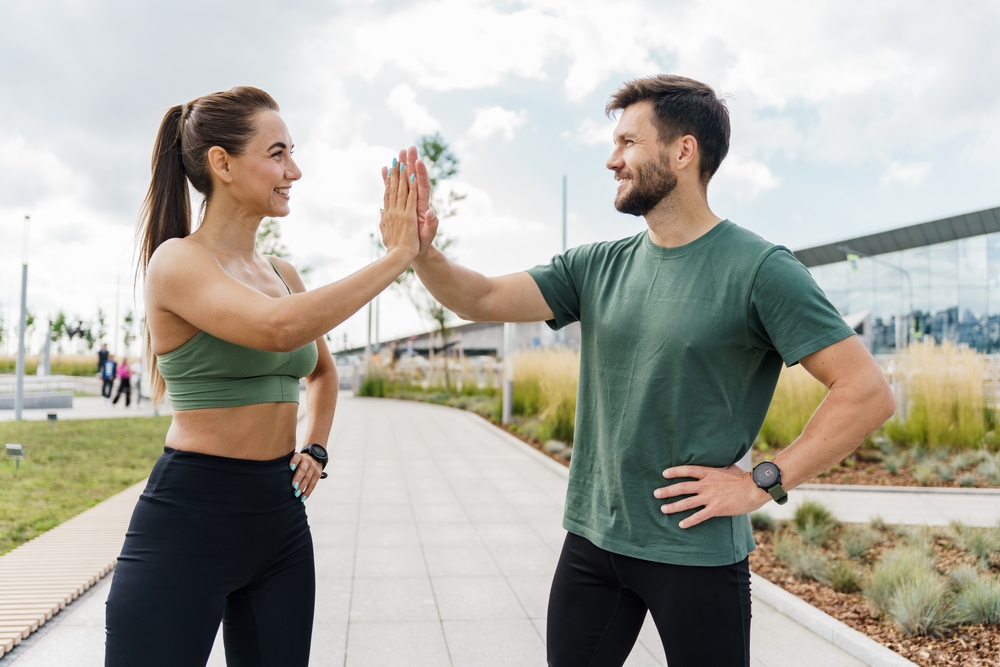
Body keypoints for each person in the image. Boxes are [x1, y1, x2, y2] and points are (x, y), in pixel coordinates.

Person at [400, 74, 896, 667]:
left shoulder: (761, 268)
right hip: (592, 543)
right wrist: (422, 253)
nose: (613, 160)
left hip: (695, 554)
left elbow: (866, 392)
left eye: (628, 143)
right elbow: (478, 299)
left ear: (683, 151)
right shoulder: (596, 265)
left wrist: (762, 481)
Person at [104, 86, 420, 667]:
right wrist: (396, 257)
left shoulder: (282, 273)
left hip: (278, 520)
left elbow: (323, 373)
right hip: (191, 518)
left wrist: (316, 448)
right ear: (221, 163)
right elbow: (277, 330)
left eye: (292, 153)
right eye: (277, 153)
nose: (294, 170)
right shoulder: (177, 261)